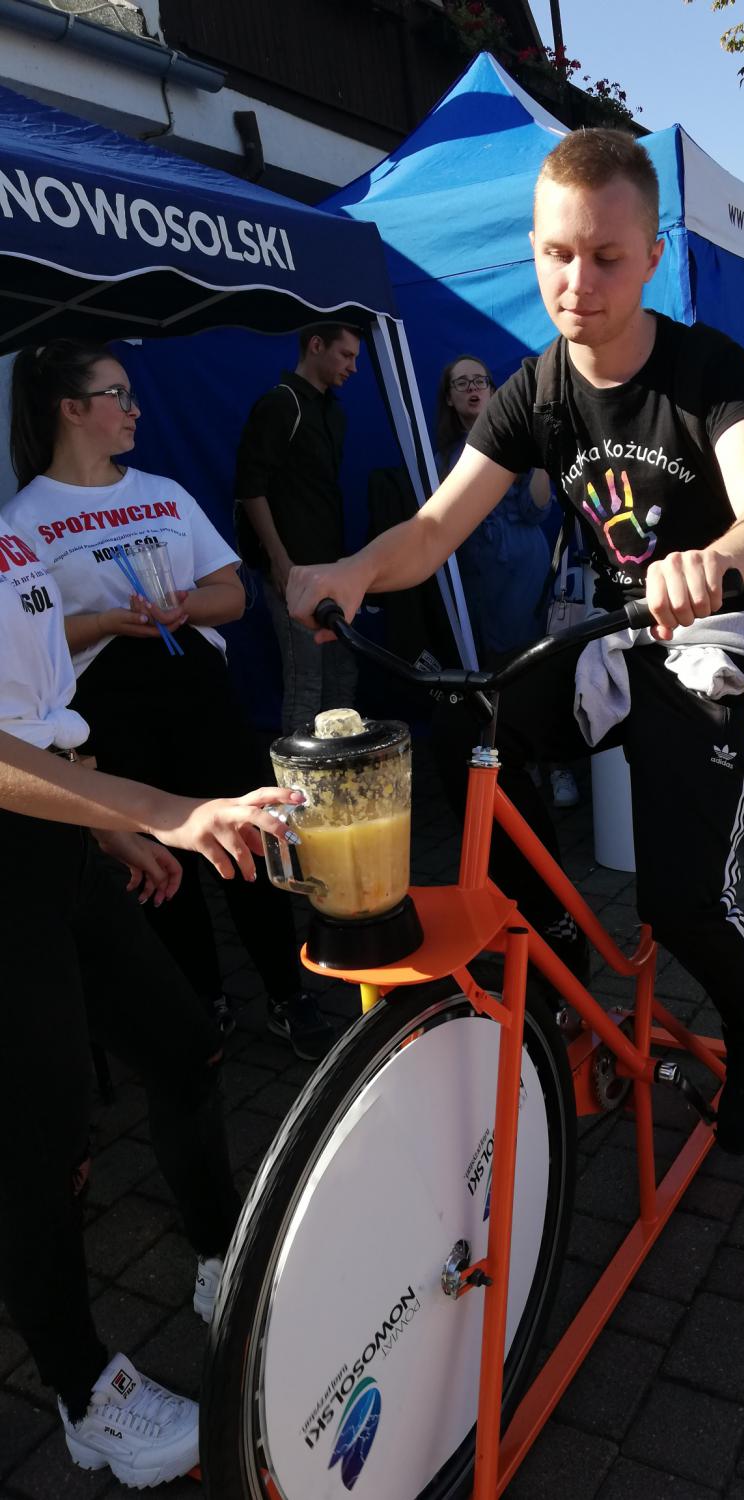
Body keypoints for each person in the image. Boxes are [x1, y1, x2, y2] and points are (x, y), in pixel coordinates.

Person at [288, 128, 744, 1156]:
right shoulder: (535, 389)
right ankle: (559, 951)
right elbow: (432, 530)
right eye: (558, 255)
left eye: (606, 257)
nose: (578, 283)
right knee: (465, 728)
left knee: (681, 901)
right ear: (533, 248)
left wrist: (713, 560)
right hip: (615, 638)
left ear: (652, 254)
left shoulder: (707, 366)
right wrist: (349, 570)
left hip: (720, 637)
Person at [0, 499, 303, 1487]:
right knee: (42, 1150)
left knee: (183, 1046)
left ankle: (221, 1260)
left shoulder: (9, 531)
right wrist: (165, 811)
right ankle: (84, 1395)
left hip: (56, 843)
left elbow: (30, 717)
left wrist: (103, 829)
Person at [5, 341, 333, 1061]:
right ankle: (200, 997)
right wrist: (105, 621)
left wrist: (182, 607)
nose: (135, 409)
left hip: (198, 692)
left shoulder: (164, 493)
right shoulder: (22, 521)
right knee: (157, 857)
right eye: (118, 395)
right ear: (71, 410)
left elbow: (233, 594)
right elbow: (31, 641)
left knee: (248, 834)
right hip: (108, 703)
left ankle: (288, 991)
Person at [434, 353, 579, 809]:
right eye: (462, 383)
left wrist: (540, 455)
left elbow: (536, 510)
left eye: (480, 380)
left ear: (494, 390)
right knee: (492, 675)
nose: (473, 388)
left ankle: (557, 765)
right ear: (449, 398)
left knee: (537, 667)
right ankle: (517, 763)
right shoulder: (441, 458)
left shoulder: (516, 442)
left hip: (525, 578)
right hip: (478, 584)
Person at [235, 323, 362, 731]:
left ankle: (342, 761)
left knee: (342, 674)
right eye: (346, 355)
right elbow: (250, 489)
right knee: (306, 680)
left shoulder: (334, 412)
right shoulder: (279, 404)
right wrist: (279, 560)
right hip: (293, 570)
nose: (353, 367)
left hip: (334, 567)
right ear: (316, 345)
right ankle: (298, 774)